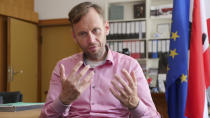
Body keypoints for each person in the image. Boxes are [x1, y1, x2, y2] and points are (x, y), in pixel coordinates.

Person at [40, 2, 160, 118]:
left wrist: (135, 105)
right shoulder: (63, 68)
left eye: (95, 30)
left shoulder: (130, 66)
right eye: (82, 34)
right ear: (74, 37)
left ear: (106, 28)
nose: (91, 40)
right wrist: (63, 100)